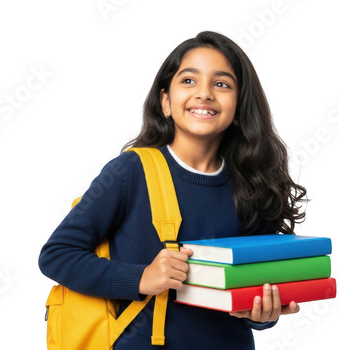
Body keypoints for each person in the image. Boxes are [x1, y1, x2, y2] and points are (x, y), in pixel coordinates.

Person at [38, 30, 307, 349]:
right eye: (189, 81)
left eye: (221, 84)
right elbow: (56, 255)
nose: (205, 93)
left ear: (239, 108)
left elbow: (253, 287)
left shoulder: (253, 183)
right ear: (166, 101)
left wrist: (261, 314)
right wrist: (140, 278)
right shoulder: (130, 172)